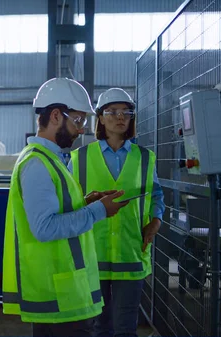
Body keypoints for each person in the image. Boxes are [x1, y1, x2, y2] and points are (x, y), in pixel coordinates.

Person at [2, 78, 130, 337]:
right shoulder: (37, 164)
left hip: (65, 293)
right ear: (56, 116)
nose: (81, 129)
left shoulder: (52, 160)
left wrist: (87, 202)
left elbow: (57, 210)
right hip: (58, 297)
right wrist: (98, 211)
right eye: (78, 120)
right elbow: (45, 228)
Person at [68, 88, 166, 337]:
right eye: (112, 112)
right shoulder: (79, 158)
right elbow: (68, 203)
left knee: (126, 327)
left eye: (126, 112)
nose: (120, 117)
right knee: (99, 327)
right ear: (100, 118)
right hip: (92, 253)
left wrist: (155, 222)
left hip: (130, 251)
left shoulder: (145, 158)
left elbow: (156, 195)